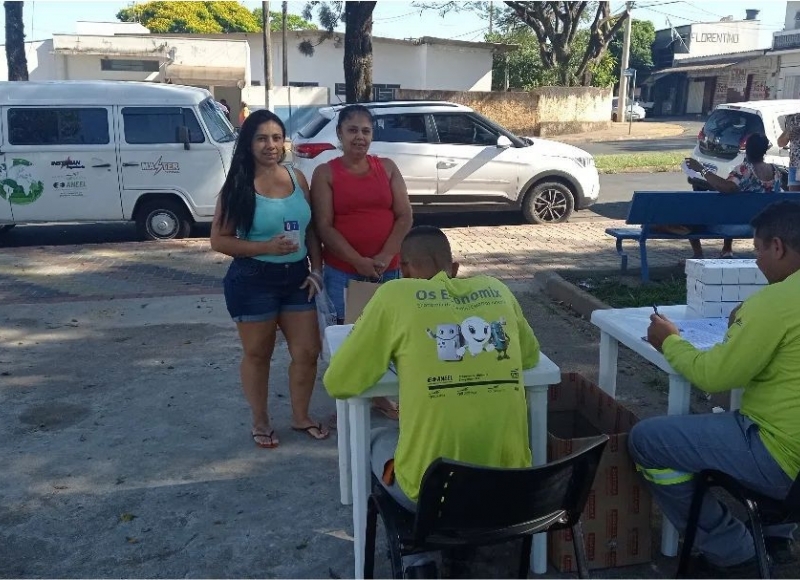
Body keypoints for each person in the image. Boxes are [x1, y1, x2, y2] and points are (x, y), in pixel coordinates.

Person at [631, 200, 800, 576]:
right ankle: (777, 533)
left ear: (778, 247)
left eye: (757, 250)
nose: (756, 261)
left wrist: (669, 341)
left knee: (647, 440)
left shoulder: (775, 302)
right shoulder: (773, 304)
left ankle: (734, 550)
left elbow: (714, 377)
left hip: (781, 456)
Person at [323, 225, 541, 512]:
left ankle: (414, 555)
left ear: (404, 270)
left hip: (431, 495)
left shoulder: (394, 295)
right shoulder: (497, 289)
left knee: (375, 438)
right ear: (455, 267)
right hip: (507, 486)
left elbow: (339, 382)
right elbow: (528, 357)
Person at [210, 109, 329, 448]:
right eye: (262, 138)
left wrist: (317, 270)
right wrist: (265, 246)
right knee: (258, 353)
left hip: (296, 278)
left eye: (277, 137)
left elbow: (312, 232)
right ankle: (260, 421)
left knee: (307, 351)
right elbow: (219, 240)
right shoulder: (237, 186)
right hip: (253, 280)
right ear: (248, 143)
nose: (270, 145)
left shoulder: (297, 179)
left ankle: (300, 416)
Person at [311, 104, 413, 420]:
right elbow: (323, 225)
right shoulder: (326, 172)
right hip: (345, 273)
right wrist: (357, 261)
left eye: (366, 131)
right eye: (352, 130)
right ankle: (353, 398)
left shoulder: (388, 168)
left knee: (388, 333)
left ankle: (382, 395)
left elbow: (404, 215)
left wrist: (384, 256)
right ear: (340, 133)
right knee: (352, 336)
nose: (359, 137)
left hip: (388, 268)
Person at [685, 133, 782, 258]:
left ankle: (698, 254)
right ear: (764, 151)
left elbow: (725, 187)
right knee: (731, 209)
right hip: (764, 225)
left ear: (746, 150)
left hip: (740, 226)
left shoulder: (744, 170)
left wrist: (701, 170)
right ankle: (726, 250)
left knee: (692, 219)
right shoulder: (775, 172)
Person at [778, 113, 800, 192]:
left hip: (795, 165)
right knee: (793, 198)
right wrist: (789, 130)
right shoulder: (793, 119)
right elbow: (780, 143)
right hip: (795, 166)